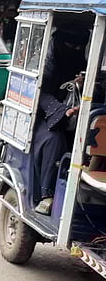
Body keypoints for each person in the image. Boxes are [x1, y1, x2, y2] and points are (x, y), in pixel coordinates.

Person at [32, 36, 86, 215]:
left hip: (80, 115)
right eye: (72, 45)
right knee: (54, 140)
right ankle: (47, 194)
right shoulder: (47, 64)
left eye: (80, 46)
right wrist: (63, 111)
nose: (76, 49)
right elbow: (42, 94)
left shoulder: (85, 63)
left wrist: (83, 85)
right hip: (42, 117)